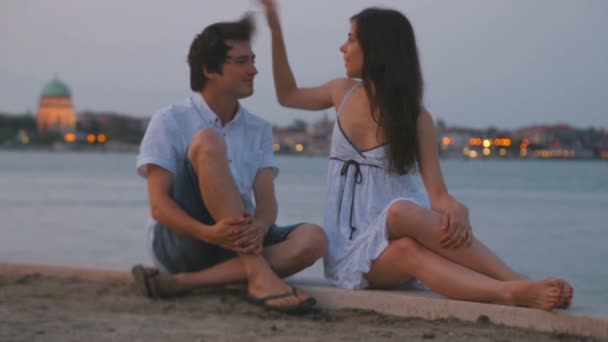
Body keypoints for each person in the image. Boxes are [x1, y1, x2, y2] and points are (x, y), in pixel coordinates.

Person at [259, 0, 572, 310]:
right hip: (349, 251)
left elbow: (438, 194)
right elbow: (287, 96)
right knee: (406, 237)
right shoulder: (342, 91)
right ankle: (508, 289)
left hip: (397, 231)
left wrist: (456, 207)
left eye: (351, 39)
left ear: (377, 48)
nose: (343, 47)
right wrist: (275, 30)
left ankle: (513, 284)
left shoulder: (417, 119)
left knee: (401, 219)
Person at [132, 14, 328, 313]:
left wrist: (259, 228)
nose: (254, 70)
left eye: (252, 59)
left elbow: (266, 204)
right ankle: (258, 273)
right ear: (210, 69)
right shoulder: (170, 120)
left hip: (234, 246)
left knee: (314, 239)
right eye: (241, 62)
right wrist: (207, 233)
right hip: (185, 242)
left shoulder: (259, 128)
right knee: (208, 140)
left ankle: (183, 283)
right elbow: (159, 206)